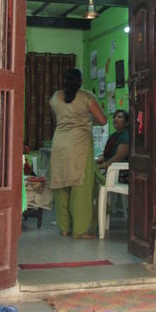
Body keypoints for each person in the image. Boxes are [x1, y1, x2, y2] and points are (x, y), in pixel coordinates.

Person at [49, 67, 107, 239]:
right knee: (80, 186)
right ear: (80, 81)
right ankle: (80, 230)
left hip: (59, 143)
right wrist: (87, 120)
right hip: (79, 144)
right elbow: (103, 120)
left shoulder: (55, 97)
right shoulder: (86, 97)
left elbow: (57, 120)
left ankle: (64, 228)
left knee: (61, 184)